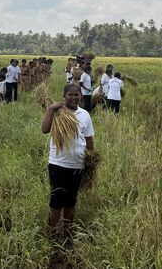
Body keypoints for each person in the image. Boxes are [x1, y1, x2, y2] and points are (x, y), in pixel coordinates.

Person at [41, 84, 95, 247]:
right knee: (56, 199)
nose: (74, 97)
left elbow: (89, 139)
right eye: (70, 95)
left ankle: (67, 231)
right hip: (58, 163)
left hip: (77, 165)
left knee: (71, 200)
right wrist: (51, 109)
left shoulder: (85, 115)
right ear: (64, 97)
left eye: (76, 94)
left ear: (81, 96)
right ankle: (52, 233)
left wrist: (91, 161)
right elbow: (45, 129)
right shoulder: (58, 112)